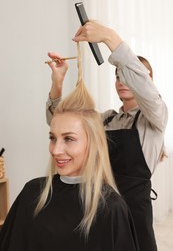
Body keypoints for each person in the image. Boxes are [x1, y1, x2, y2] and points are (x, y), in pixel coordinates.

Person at [0, 43, 140, 251]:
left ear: (92, 143)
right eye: (52, 138)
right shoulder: (32, 194)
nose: (55, 150)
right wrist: (57, 83)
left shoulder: (111, 209)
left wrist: (111, 39)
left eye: (69, 139)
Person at [45, 22, 168, 251]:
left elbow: (146, 90)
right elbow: (61, 123)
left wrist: (111, 39)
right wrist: (57, 83)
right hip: (103, 206)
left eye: (128, 76)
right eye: (118, 76)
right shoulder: (106, 119)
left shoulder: (154, 118)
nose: (122, 80)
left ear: (145, 81)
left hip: (135, 210)